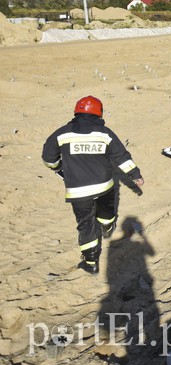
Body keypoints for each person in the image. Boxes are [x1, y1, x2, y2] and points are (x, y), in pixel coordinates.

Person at [42, 96, 144, 274]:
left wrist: (60, 170)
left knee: (85, 224)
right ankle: (106, 228)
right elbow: (121, 156)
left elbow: (48, 158)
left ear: (76, 112)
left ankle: (91, 263)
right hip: (104, 186)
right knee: (106, 212)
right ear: (99, 113)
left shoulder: (62, 133)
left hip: (77, 191)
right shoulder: (104, 133)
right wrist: (135, 175)